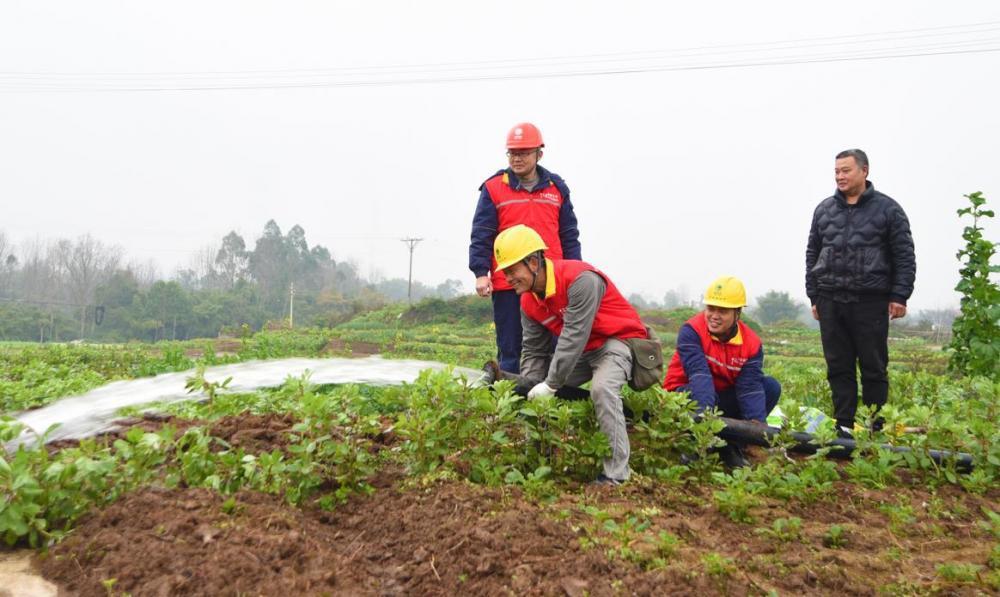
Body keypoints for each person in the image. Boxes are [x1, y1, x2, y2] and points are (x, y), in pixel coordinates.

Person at [490, 224, 646, 485]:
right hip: (583, 352)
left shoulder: (580, 279)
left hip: (615, 342)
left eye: (512, 270)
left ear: (532, 261)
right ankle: (538, 461)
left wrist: (551, 384)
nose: (507, 278)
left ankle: (617, 476)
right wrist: (531, 386)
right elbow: (533, 349)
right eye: (505, 272)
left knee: (602, 389)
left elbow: (574, 335)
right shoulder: (528, 300)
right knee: (535, 387)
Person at [805, 149, 916, 437]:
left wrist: (899, 295)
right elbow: (813, 252)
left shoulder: (888, 210)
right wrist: (814, 295)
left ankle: (874, 428)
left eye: (846, 170)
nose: (840, 176)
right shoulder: (824, 210)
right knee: (838, 366)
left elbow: (903, 255)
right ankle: (842, 427)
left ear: (864, 171)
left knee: (873, 367)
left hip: (870, 300)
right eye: (837, 171)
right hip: (830, 298)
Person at [469, 122, 581, 374]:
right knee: (512, 348)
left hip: (550, 283)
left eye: (524, 153)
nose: (517, 159)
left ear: (539, 154)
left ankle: (550, 402)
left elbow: (569, 236)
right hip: (509, 283)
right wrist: (480, 272)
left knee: (555, 347)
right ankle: (511, 403)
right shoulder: (493, 188)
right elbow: (482, 234)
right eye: (512, 153)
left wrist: (575, 274)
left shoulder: (557, 188)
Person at [662, 276, 781, 468]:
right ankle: (698, 441)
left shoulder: (751, 343)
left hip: (719, 399)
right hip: (685, 397)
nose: (714, 315)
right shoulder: (692, 331)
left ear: (737, 313)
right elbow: (699, 376)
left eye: (723, 311)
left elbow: (749, 388)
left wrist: (757, 430)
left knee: (770, 387)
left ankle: (734, 444)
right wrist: (705, 422)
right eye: (710, 308)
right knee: (703, 394)